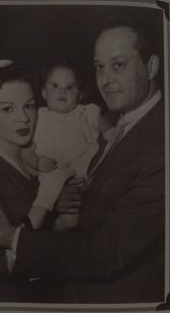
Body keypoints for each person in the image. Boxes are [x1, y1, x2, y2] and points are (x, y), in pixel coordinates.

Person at [0, 16, 165, 303]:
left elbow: (107, 252)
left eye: (118, 65)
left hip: (112, 297)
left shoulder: (159, 143)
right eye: (99, 67)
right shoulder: (117, 123)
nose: (105, 80)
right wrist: (60, 202)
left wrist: (14, 235)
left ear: (152, 66)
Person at [0, 60, 61, 302]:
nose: (24, 119)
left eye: (29, 106)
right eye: (8, 109)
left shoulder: (33, 154)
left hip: (42, 292)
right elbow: (3, 267)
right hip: (3, 300)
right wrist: (46, 199)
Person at [21, 59, 113, 230]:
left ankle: (56, 232)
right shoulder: (39, 117)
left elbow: (101, 121)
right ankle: (29, 227)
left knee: (73, 220)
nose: (62, 91)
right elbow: (25, 149)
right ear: (43, 93)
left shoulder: (84, 112)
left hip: (80, 172)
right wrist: (36, 161)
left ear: (80, 95)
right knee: (46, 195)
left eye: (70, 87)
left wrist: (109, 131)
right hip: (52, 171)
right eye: (54, 86)